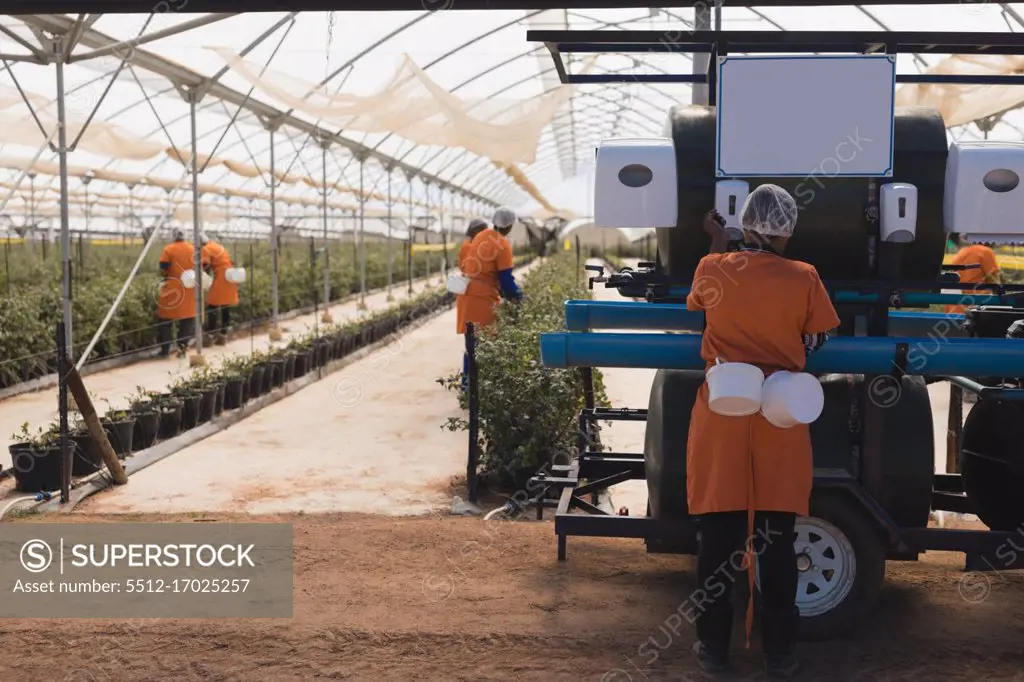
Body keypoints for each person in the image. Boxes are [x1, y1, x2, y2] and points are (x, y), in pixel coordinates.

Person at [685, 184, 840, 678]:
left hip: (722, 421)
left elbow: (700, 304)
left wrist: (717, 239)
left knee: (717, 540)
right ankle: (779, 654)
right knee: (775, 542)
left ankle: (713, 650)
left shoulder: (713, 267)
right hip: (780, 419)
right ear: (787, 231)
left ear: (747, 224)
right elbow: (817, 336)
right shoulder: (804, 276)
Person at [457, 208, 523, 387]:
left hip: (467, 293)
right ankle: (481, 388)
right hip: (483, 298)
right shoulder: (502, 244)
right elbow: (506, 280)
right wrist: (518, 297)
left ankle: (467, 386)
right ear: (509, 225)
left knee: (471, 343)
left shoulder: (481, 236)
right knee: (487, 343)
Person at [157, 228, 207, 358]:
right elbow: (201, 267)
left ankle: (165, 350)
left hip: (172, 288)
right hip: (189, 289)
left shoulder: (169, 249)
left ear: (173, 236)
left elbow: (163, 266)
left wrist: (166, 277)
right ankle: (182, 350)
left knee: (165, 320)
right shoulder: (193, 249)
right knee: (188, 319)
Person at [945, 232, 1001, 315]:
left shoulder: (961, 253)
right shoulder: (985, 251)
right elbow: (995, 283)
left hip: (955, 308)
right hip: (976, 308)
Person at [201, 233, 240, 346]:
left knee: (212, 305)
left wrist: (203, 276)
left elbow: (205, 265)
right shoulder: (217, 246)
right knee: (225, 306)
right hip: (231, 276)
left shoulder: (206, 248)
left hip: (222, 278)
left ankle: (209, 336)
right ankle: (223, 335)